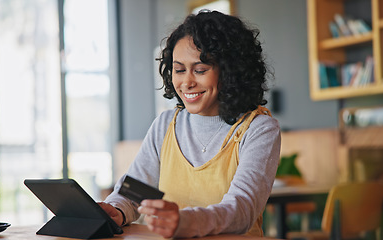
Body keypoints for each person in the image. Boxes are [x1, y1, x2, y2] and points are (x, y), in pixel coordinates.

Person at [99, 10, 281, 238]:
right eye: (179, 70)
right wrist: (116, 210)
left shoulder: (259, 128)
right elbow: (133, 193)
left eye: (200, 70)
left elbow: (241, 210)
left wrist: (184, 221)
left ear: (230, 71)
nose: (187, 82)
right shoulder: (165, 124)